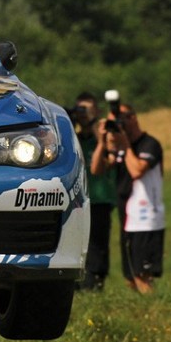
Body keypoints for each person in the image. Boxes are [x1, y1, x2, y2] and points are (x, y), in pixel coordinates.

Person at [91, 102, 165, 294]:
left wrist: (124, 144)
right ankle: (142, 313)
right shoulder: (121, 148)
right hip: (128, 217)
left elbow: (137, 170)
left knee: (142, 275)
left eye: (120, 120)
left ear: (133, 117)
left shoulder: (150, 144)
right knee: (130, 277)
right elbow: (96, 170)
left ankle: (154, 311)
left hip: (147, 218)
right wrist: (101, 141)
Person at [71, 92, 117, 291]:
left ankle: (96, 281)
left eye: (86, 110)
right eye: (79, 110)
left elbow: (107, 158)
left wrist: (95, 126)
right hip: (78, 200)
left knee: (97, 244)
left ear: (96, 111)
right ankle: (76, 281)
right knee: (76, 241)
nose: (82, 115)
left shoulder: (105, 136)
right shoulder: (75, 139)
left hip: (99, 199)